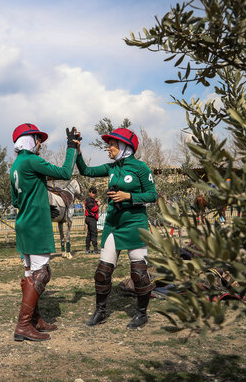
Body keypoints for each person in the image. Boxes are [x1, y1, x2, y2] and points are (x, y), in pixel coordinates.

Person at [76, 127, 158, 329]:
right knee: (102, 272)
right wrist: (77, 152)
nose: (108, 147)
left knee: (139, 273)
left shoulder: (141, 168)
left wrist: (129, 197)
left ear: (125, 146)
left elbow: (152, 195)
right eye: (109, 144)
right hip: (113, 224)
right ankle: (101, 312)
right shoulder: (111, 167)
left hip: (135, 224)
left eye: (112, 144)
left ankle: (141, 314)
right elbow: (86, 170)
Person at [10, 123, 80, 342]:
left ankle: (34, 320)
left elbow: (15, 200)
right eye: (37, 139)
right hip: (37, 223)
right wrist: (71, 148)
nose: (40, 143)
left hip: (23, 223)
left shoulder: (15, 165)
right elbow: (65, 172)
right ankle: (23, 325)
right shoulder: (32, 160)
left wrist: (37, 192)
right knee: (42, 275)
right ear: (29, 140)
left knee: (31, 275)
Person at [84, 187, 100, 254]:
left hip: (90, 218)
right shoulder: (89, 200)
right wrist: (98, 205)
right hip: (91, 218)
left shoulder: (91, 200)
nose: (94, 194)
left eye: (95, 193)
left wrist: (95, 201)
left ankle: (87, 249)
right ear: (89, 192)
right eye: (92, 193)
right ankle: (95, 249)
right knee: (94, 233)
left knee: (90, 234)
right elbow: (93, 209)